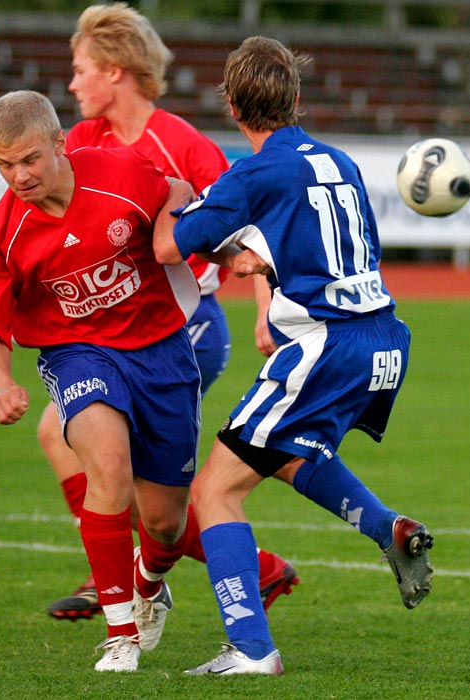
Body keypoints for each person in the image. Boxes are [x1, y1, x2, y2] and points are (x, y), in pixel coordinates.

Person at [153, 36, 435, 675]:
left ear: (231, 103)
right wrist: (258, 261)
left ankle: (251, 648)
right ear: (297, 97)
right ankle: (388, 527)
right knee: (281, 454)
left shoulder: (252, 174)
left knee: (214, 490)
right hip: (383, 338)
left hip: (325, 345)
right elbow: (335, 249)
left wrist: (163, 192)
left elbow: (172, 247)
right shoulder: (339, 161)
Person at [0, 89, 244, 673]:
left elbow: (179, 191)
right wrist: (1, 384)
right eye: (4, 165)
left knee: (164, 522)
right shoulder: (2, 231)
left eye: (29, 159)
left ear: (60, 143)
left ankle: (151, 582)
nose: (19, 175)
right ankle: (120, 635)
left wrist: (173, 229)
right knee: (106, 466)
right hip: (76, 353)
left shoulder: (118, 172)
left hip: (162, 350)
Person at [39, 2, 299, 625]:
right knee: (81, 447)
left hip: (190, 327)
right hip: (114, 335)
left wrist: (266, 312)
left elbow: (254, 225)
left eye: (80, 70)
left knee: (108, 462)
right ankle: (151, 571)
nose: (72, 84)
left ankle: (137, 575)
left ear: (116, 71)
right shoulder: (79, 142)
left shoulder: (179, 142)